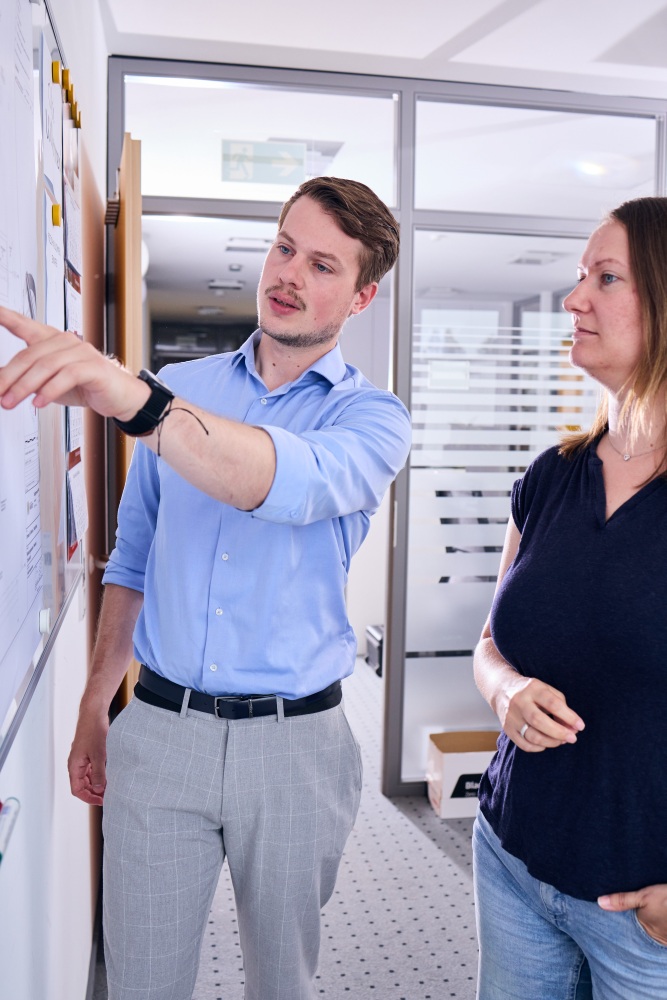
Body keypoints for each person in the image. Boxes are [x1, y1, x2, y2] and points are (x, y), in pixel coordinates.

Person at [0, 176, 411, 1000]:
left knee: (282, 985)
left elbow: (276, 479)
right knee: (142, 981)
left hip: (296, 750)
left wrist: (140, 402)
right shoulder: (183, 384)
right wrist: (93, 705)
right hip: (162, 732)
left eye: (323, 265)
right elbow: (133, 561)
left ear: (361, 296)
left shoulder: (372, 422)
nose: (289, 274)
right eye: (284, 248)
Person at [472, 196, 667, 999]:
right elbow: (490, 643)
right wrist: (504, 690)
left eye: (605, 278)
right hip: (512, 855)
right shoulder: (551, 475)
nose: (573, 298)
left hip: (641, 908)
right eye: (579, 275)